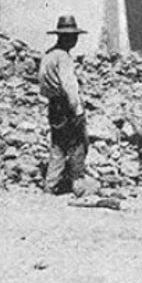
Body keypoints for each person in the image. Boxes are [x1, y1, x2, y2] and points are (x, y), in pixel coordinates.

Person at [37, 15, 89, 195]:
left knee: (58, 145)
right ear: (67, 37)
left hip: (53, 106)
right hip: (66, 106)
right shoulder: (64, 58)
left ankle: (50, 185)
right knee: (78, 143)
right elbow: (70, 87)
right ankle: (78, 185)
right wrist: (78, 111)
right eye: (73, 37)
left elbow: (42, 85)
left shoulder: (48, 55)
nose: (75, 40)